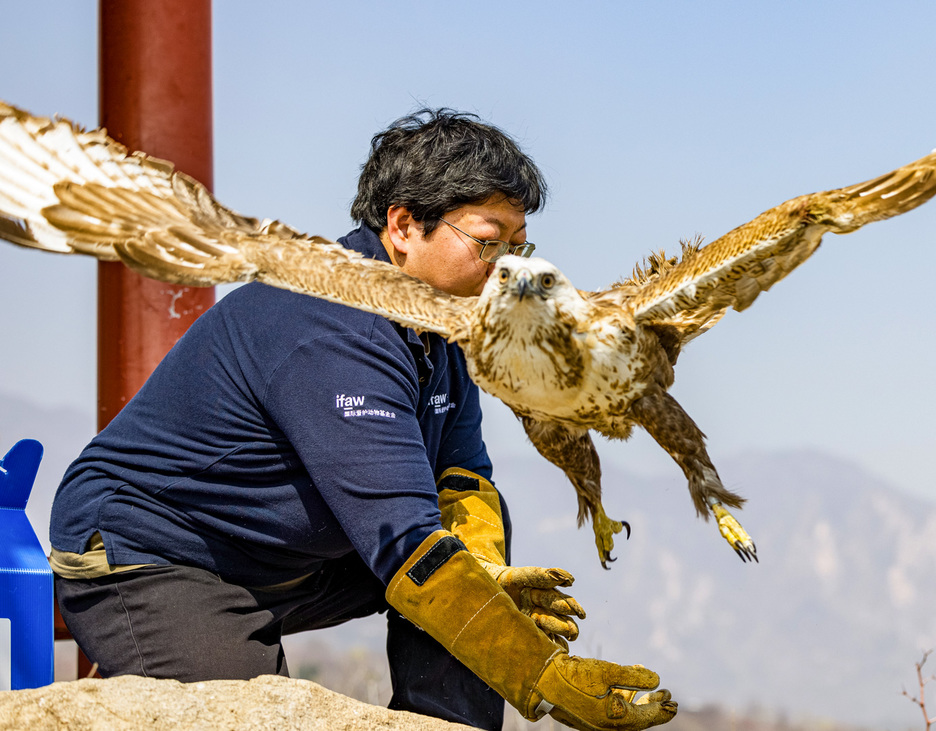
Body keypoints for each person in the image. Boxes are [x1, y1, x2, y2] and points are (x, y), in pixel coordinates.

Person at [47, 109, 677, 731]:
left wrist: (489, 588)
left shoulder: (447, 325)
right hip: (160, 556)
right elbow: (404, 542)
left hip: (287, 560)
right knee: (257, 716)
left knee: (473, 551)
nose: (510, 270)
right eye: (489, 243)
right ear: (403, 225)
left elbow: (461, 480)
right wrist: (540, 673)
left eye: (519, 246)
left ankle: (447, 724)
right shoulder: (332, 326)